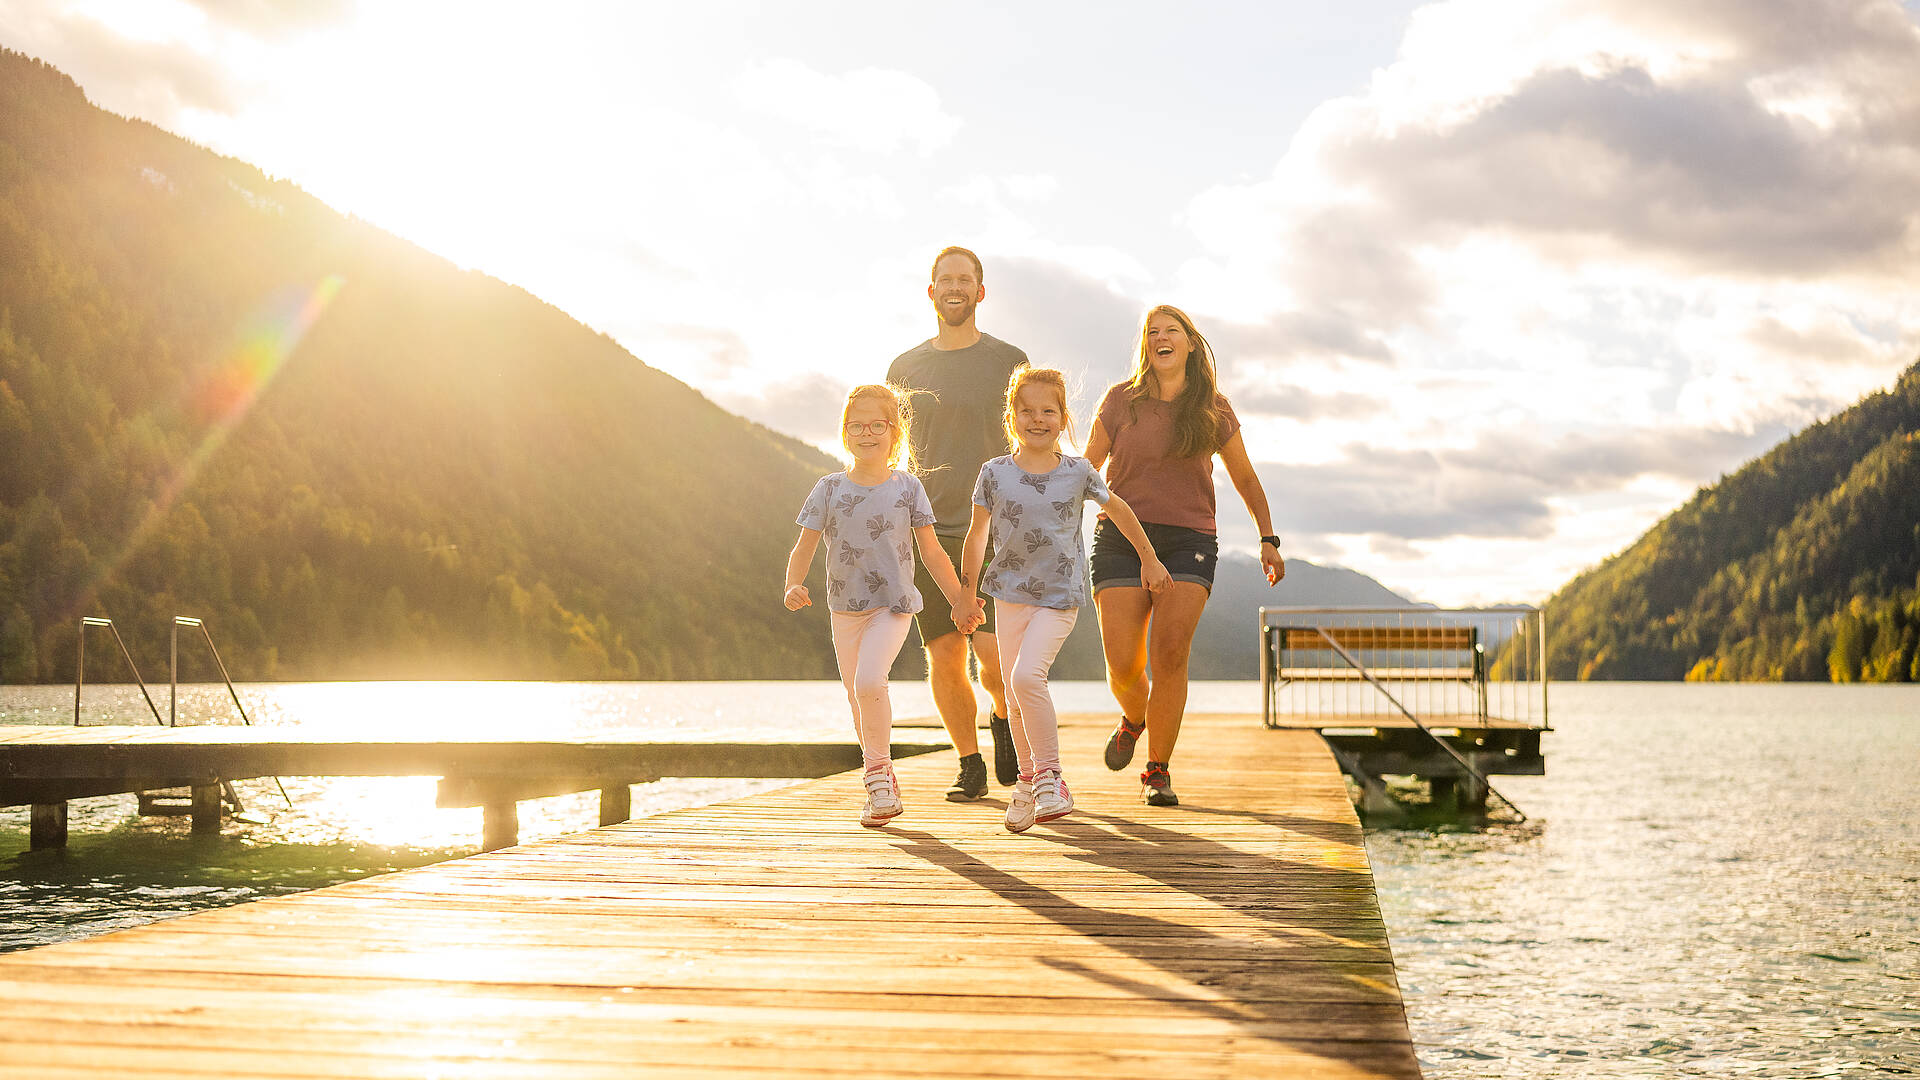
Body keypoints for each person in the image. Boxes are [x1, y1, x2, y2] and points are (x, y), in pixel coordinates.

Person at [1084, 305, 1286, 806]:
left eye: (1171, 331)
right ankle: (1134, 718)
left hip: (1188, 541)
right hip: (1121, 537)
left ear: (1191, 344)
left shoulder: (1213, 408)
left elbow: (1243, 476)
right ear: (1145, 346)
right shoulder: (1120, 401)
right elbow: (1084, 472)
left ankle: (1157, 770)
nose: (1160, 338)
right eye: (1152, 332)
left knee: (1170, 655)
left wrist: (1268, 537)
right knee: (1122, 666)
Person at [960, 368, 1169, 832]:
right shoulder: (994, 473)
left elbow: (1118, 509)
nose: (1038, 419)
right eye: (1027, 411)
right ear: (1012, 417)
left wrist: (1149, 560)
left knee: (1025, 676)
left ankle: (1051, 776)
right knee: (1014, 695)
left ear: (1063, 417)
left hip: (1059, 595)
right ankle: (1027, 782)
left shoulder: (1078, 471)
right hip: (1007, 595)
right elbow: (976, 536)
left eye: (1048, 411)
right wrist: (964, 593)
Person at [784, 384, 979, 827]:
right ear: (844, 431)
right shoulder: (829, 488)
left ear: (896, 432)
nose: (866, 433)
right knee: (857, 694)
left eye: (877, 425)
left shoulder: (907, 487)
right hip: (844, 608)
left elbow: (931, 552)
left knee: (871, 680)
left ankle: (878, 775)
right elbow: (804, 545)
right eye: (857, 425)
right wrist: (792, 584)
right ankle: (878, 781)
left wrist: (960, 601)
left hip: (893, 605)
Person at [888, 246, 1029, 801]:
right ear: (931, 292)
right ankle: (968, 763)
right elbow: (894, 447)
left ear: (980, 291)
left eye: (964, 280)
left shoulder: (1009, 360)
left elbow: (1032, 432)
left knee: (994, 659)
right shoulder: (904, 368)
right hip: (927, 526)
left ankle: (1002, 715)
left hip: (997, 526)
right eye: (945, 280)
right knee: (944, 652)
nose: (955, 288)